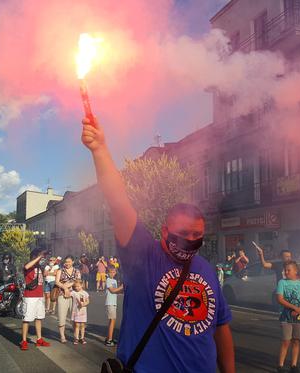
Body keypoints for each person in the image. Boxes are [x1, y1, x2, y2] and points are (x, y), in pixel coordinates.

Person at [81, 116, 234, 372]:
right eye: (184, 232)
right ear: (165, 231)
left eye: (198, 235)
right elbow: (118, 201)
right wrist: (100, 149)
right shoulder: (142, 256)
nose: (192, 240)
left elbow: (221, 327)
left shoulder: (206, 269)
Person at [276, 261, 300, 373]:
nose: (286, 272)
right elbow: (280, 299)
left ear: (295, 271)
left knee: (296, 340)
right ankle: (280, 365)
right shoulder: (282, 282)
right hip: (286, 317)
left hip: (299, 317)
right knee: (286, 340)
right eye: (285, 270)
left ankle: (294, 365)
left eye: (288, 270)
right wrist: (294, 308)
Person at [20, 249, 51, 350]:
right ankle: (24, 341)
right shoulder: (28, 266)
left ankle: (39, 339)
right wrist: (39, 256)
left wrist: (49, 267)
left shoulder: (40, 267)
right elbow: (26, 266)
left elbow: (45, 275)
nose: (42, 258)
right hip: (30, 297)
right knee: (27, 319)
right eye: (40, 256)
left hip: (39, 296)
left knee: (39, 318)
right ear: (35, 256)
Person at [55, 255, 81, 343]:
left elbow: (78, 281)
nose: (67, 264)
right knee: (62, 316)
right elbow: (57, 282)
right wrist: (64, 287)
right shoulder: (60, 270)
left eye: (69, 262)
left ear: (73, 262)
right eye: (66, 262)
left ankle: (76, 336)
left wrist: (68, 285)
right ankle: (62, 336)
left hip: (74, 296)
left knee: (75, 317)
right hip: (62, 295)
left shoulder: (77, 271)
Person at [105, 266, 124, 346]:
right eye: (110, 272)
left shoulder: (114, 280)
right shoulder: (108, 280)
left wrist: (122, 289)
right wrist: (122, 286)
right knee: (112, 321)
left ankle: (109, 337)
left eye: (114, 272)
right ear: (108, 272)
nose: (112, 273)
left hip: (113, 302)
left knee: (112, 321)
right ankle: (109, 340)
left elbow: (117, 291)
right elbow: (112, 291)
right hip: (110, 303)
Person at [71, 279, 90, 344]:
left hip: (83, 312)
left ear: (82, 285)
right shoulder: (73, 292)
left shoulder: (85, 293)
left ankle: (82, 338)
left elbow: (88, 301)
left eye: (78, 286)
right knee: (77, 325)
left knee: (82, 325)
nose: (77, 288)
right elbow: (68, 294)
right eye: (75, 286)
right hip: (76, 311)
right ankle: (76, 338)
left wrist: (84, 304)